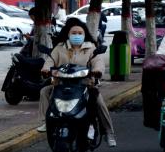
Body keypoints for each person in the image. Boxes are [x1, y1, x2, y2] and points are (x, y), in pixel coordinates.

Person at [37, 19, 116, 147]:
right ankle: (45, 122)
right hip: (61, 85)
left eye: (80, 33)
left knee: (98, 100)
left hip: (84, 85)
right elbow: (50, 61)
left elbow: (98, 62)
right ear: (68, 34)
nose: (77, 35)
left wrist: (97, 71)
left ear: (84, 35)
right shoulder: (60, 48)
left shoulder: (91, 48)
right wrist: (45, 69)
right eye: (74, 33)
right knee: (44, 91)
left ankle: (109, 132)